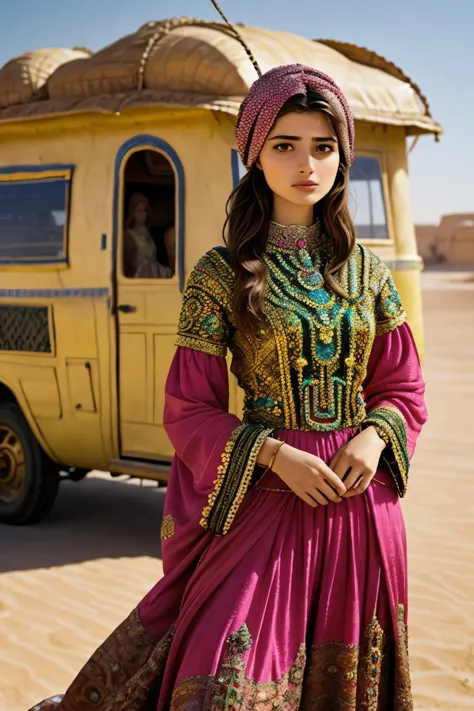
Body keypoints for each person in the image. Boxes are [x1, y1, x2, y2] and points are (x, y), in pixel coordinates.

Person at [30, 63, 427, 711]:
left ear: (343, 157)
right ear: (254, 155)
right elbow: (188, 409)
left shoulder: (369, 275)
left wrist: (376, 440)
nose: (308, 164)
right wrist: (275, 453)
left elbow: (403, 386)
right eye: (285, 145)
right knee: (219, 682)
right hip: (267, 496)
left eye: (324, 147)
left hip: (361, 509)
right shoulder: (220, 274)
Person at [124, 192, 173, 279]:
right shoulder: (129, 236)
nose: (143, 214)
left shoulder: (148, 234)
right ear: (132, 214)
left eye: (145, 210)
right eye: (139, 211)